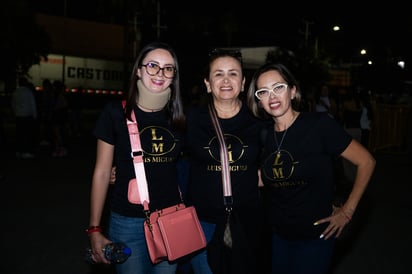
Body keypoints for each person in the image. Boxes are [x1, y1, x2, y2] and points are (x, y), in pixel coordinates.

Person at [246, 62, 376, 274]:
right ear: (259, 101)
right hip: (278, 236)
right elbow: (266, 176)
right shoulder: (265, 135)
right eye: (264, 91)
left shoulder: (319, 125)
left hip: (315, 237)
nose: (272, 96)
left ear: (293, 91)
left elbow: (367, 161)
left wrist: (348, 210)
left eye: (278, 87)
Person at [87, 41, 186, 274]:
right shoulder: (115, 112)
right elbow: (101, 172)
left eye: (168, 68)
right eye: (152, 65)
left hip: (171, 220)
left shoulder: (180, 118)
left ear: (174, 76)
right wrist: (94, 228)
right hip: (127, 223)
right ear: (139, 70)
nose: (160, 73)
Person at [184, 48, 268, 274]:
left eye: (233, 73)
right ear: (208, 83)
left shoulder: (259, 122)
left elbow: (281, 160)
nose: (226, 80)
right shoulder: (191, 120)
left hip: (247, 221)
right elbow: (166, 159)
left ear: (242, 83)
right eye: (218, 74)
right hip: (202, 223)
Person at [11, 77, 38, 159]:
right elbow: (33, 104)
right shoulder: (28, 92)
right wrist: (35, 115)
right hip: (27, 116)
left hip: (18, 116)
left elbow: (13, 104)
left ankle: (19, 151)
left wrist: (15, 113)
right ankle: (26, 152)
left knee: (19, 134)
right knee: (27, 134)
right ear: (25, 83)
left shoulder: (15, 92)